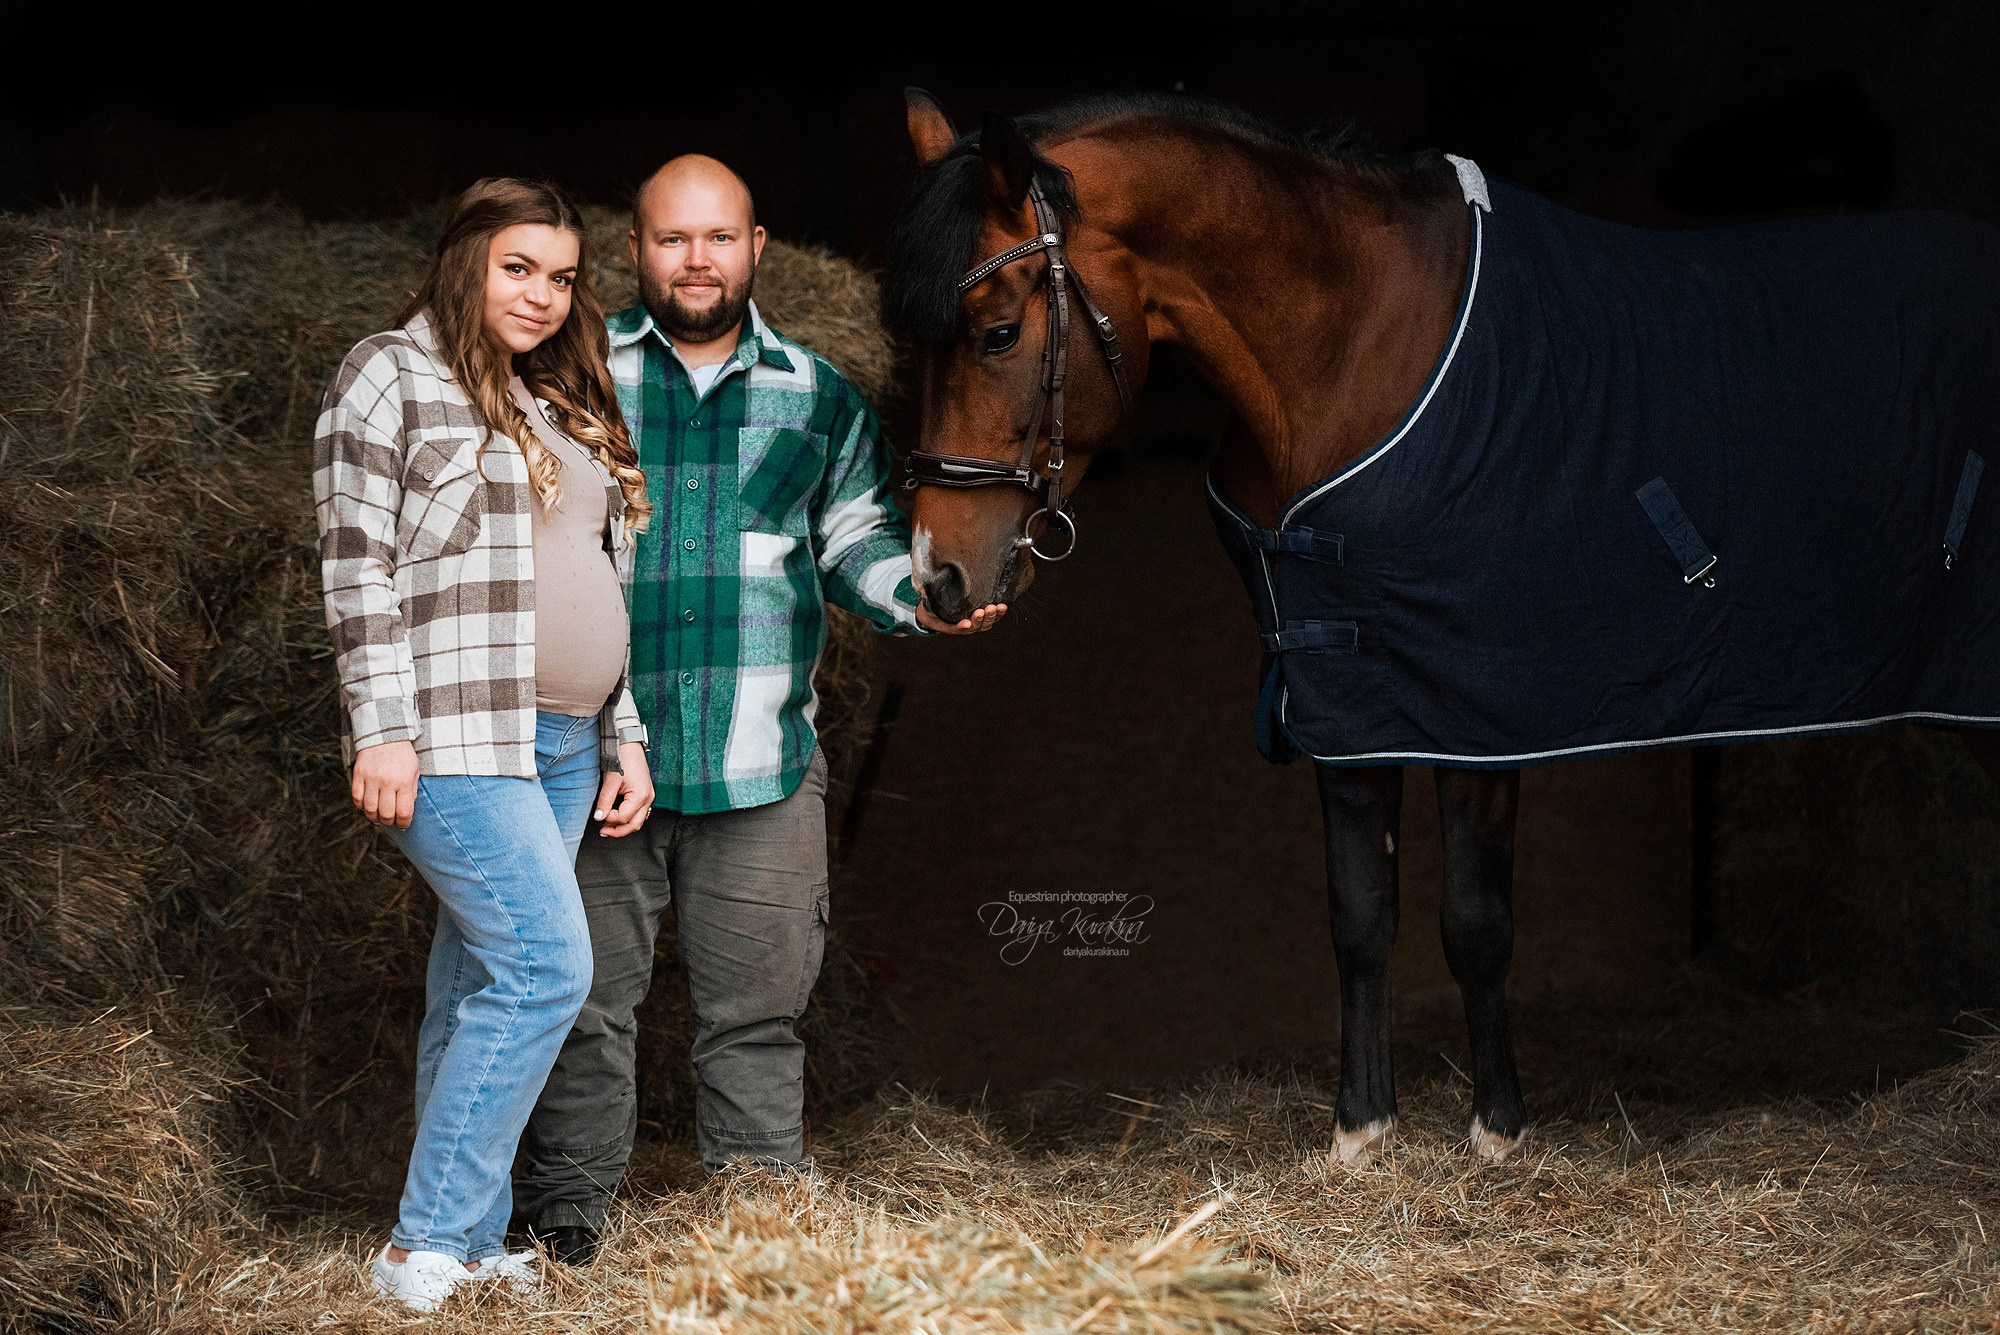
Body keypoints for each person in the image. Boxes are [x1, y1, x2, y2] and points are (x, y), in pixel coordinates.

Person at [514, 155, 1006, 1262]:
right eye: (673, 239)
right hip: (593, 765)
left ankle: (761, 1234)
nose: (698, 260)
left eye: (720, 238)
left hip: (760, 767)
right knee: (583, 1018)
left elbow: (852, 542)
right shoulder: (569, 379)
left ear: (757, 248)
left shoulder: (818, 394)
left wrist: (919, 601)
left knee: (754, 1025)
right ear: (633, 250)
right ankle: (567, 1234)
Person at [312, 177, 655, 1312]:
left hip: (562, 742)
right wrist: (383, 730)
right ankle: (419, 1248)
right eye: (519, 268)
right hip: (457, 734)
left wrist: (624, 734)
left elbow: (604, 577)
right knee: (548, 967)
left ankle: (465, 1234)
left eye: (561, 277)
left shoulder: (553, 394)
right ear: (465, 261)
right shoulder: (390, 373)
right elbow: (357, 565)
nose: (543, 296)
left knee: (476, 988)